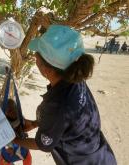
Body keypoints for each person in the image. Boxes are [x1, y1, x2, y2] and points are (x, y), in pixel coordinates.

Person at [13, 25, 117, 165]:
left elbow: (43, 145)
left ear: (47, 70)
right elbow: (66, 122)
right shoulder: (74, 76)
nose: (34, 56)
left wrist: (13, 139)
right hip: (101, 155)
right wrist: (37, 123)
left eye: (37, 54)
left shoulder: (57, 106)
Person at [0, 99, 32, 165]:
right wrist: (8, 146)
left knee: (28, 158)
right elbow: (1, 137)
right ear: (4, 113)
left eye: (14, 108)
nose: (13, 112)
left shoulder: (19, 117)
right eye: (9, 110)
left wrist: (24, 132)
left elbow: (24, 127)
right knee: (5, 160)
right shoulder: (3, 123)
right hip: (8, 146)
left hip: (20, 144)